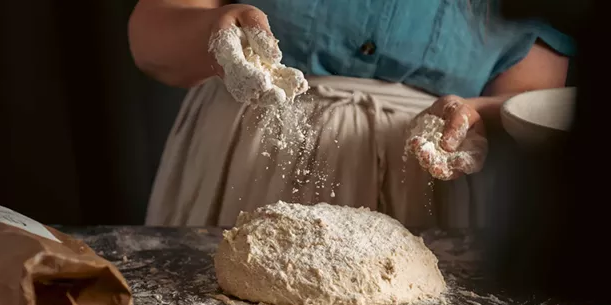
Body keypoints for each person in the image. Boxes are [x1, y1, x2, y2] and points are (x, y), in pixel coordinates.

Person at [128, 0, 573, 228]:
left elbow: (530, 100)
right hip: (238, 175)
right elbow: (151, 41)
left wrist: (473, 114)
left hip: (426, 191)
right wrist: (216, 33)